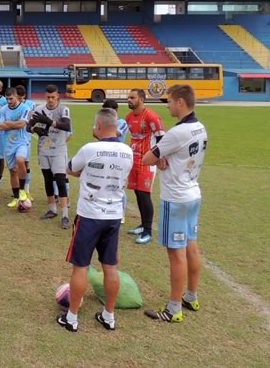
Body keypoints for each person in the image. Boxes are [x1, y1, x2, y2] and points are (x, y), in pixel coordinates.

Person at [57, 108, 133, 332]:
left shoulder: (91, 148)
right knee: (110, 267)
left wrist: (86, 172)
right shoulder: (127, 151)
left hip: (89, 215)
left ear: (98, 126)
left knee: (80, 266)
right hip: (113, 216)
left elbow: (70, 168)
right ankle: (109, 316)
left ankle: (71, 318)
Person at [142, 85, 207, 323]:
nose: (167, 105)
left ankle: (173, 308)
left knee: (176, 252)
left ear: (180, 102)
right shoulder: (200, 127)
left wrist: (161, 157)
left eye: (169, 101)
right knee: (191, 244)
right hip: (193, 193)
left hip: (176, 198)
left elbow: (148, 158)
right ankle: (191, 295)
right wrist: (166, 157)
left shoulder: (177, 132)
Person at [29, 84, 72, 229]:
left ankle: (65, 214)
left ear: (58, 96)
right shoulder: (39, 109)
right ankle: (52, 209)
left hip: (58, 150)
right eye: (48, 97)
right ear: (45, 96)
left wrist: (49, 122)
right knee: (47, 179)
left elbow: (66, 126)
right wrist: (35, 129)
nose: (51, 100)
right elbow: (28, 126)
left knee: (60, 180)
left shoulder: (63, 109)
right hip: (44, 149)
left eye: (53, 97)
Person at [126, 89, 165, 244]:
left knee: (144, 194)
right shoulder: (129, 117)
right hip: (133, 161)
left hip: (147, 162)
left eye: (132, 97)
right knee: (137, 193)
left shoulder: (151, 116)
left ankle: (148, 231)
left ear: (141, 99)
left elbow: (163, 138)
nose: (129, 100)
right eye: (128, 97)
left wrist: (160, 157)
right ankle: (143, 225)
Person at [0, 88, 30, 209]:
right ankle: (16, 198)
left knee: (20, 160)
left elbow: (22, 124)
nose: (9, 101)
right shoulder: (3, 109)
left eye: (11, 98)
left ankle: (22, 190)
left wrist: (8, 123)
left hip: (21, 142)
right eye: (7, 99)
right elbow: (0, 126)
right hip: (8, 145)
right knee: (13, 172)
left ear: (16, 97)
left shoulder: (24, 108)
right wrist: (14, 124)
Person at [16, 85, 33, 194]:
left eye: (21, 98)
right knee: (17, 166)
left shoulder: (30, 104)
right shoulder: (13, 105)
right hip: (15, 139)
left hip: (27, 138)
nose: (19, 101)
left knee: (26, 164)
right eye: (17, 98)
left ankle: (26, 190)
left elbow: (32, 118)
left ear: (24, 97)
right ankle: (18, 190)